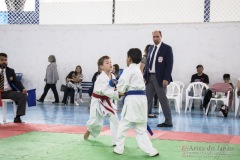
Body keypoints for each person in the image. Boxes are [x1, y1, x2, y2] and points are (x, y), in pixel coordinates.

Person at [113, 48, 159, 157]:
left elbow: (122, 87)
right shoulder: (138, 70)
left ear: (129, 58)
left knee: (124, 124)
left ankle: (119, 148)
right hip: (142, 99)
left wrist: (117, 87)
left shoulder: (128, 70)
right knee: (141, 128)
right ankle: (151, 150)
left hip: (133, 99)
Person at [83, 56, 119, 146]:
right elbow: (105, 91)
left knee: (114, 117)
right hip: (97, 101)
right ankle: (89, 129)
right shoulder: (101, 77)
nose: (110, 64)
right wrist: (118, 94)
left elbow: (114, 88)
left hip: (107, 101)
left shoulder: (113, 76)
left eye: (111, 62)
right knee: (95, 123)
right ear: (101, 67)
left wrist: (119, 92)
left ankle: (116, 141)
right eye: (107, 62)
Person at [143, 30, 173, 127]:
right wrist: (144, 76)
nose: (155, 38)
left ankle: (168, 121)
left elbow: (169, 65)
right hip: (149, 77)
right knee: (147, 99)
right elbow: (147, 63)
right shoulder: (151, 48)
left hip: (160, 78)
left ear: (161, 36)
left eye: (157, 36)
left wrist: (166, 78)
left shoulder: (167, 48)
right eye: (154, 37)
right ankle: (143, 119)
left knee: (163, 99)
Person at [0, 52, 27, 123]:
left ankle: (18, 117)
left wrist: (22, 89)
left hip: (8, 92)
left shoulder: (11, 71)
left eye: (5, 60)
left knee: (23, 95)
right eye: (2, 60)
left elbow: (16, 81)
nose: (4, 61)